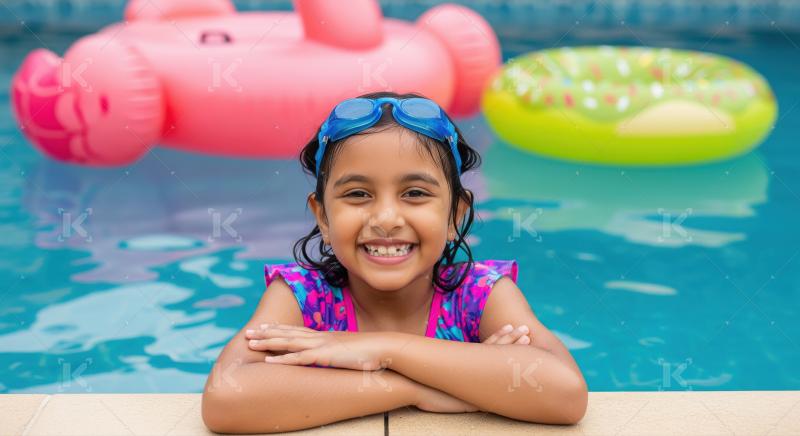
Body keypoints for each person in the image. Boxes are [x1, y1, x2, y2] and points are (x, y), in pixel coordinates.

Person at [202, 92, 587, 433]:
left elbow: (565, 395)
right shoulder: (303, 296)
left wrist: (384, 349)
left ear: (455, 215)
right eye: (357, 194)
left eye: (415, 193)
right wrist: (416, 388)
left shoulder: (481, 293)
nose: (386, 218)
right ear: (323, 217)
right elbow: (226, 399)